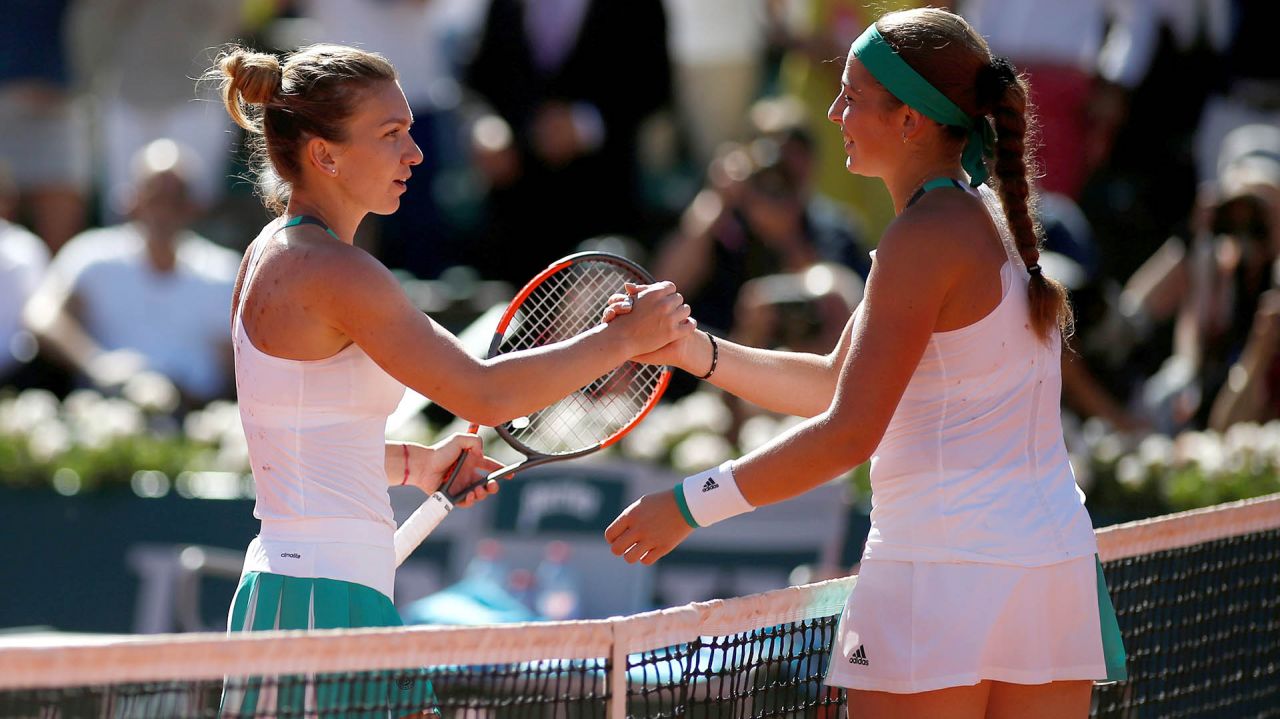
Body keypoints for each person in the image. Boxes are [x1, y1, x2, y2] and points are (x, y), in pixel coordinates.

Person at [603, 9, 1126, 718]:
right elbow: (831, 382)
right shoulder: (972, 221)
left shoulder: (925, 236)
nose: (833, 111)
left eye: (851, 95)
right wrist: (699, 352)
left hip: (940, 576)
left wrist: (689, 505)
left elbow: (850, 430)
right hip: (1046, 568)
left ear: (911, 121)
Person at [210, 43, 692, 716]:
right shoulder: (333, 272)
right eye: (390, 134)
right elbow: (483, 392)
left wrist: (417, 463)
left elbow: (298, 447)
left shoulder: (272, 253)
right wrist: (621, 340)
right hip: (326, 604)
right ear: (325, 154)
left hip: (296, 592)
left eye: (409, 128)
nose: (415, 153)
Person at [23, 139, 239, 409]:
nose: (164, 210)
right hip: (107, 418)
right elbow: (42, 315)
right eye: (155, 197)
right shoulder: (93, 255)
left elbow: (236, 365)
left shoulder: (225, 271)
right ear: (132, 200)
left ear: (193, 206)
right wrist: (95, 362)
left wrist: (197, 402)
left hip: (196, 422)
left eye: (176, 198)